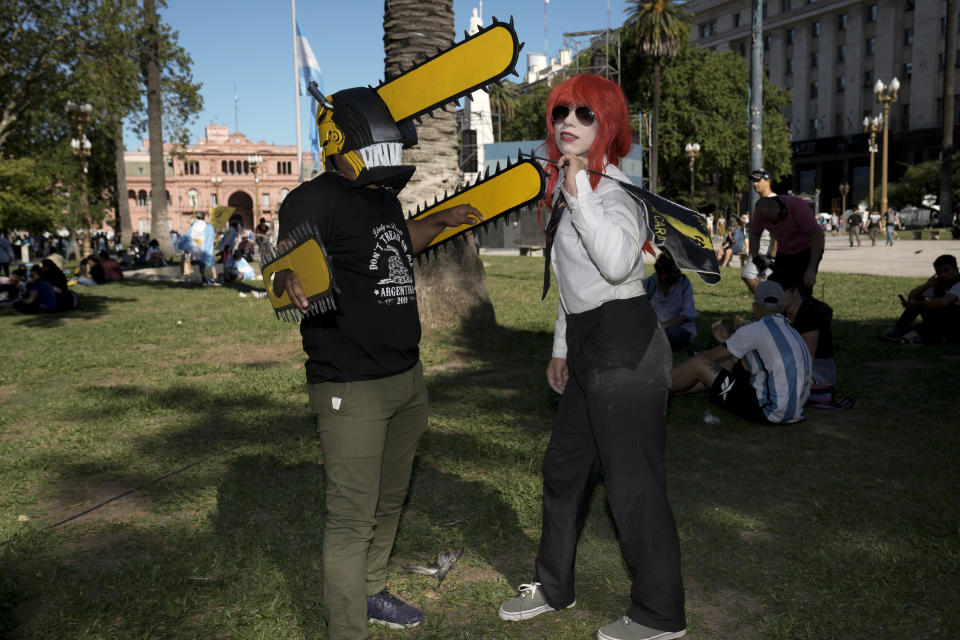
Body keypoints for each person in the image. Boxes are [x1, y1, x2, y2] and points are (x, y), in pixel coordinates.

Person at [273, 85, 483, 640]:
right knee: (350, 519)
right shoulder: (310, 200)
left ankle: (371, 591)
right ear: (338, 140)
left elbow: (392, 242)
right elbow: (281, 273)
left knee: (391, 498)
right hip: (350, 388)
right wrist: (287, 279)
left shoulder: (380, 196)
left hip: (405, 378)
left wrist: (438, 223)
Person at [497, 74, 686, 640]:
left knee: (633, 484)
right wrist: (561, 349)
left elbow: (615, 263)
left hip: (625, 346)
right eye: (560, 114)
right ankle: (554, 588)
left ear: (609, 124)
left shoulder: (616, 191)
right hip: (585, 341)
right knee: (564, 469)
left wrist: (580, 189)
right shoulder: (568, 187)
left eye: (583, 114)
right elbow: (572, 281)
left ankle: (660, 616)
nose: (567, 124)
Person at [670, 280, 812, 424]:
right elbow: (743, 363)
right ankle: (677, 388)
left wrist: (724, 342)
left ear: (755, 307)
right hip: (793, 411)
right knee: (728, 364)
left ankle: (656, 385)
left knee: (698, 364)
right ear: (781, 308)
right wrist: (729, 341)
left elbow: (706, 358)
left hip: (768, 411)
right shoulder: (792, 331)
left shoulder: (755, 329)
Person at [749, 185, 824, 296]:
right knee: (777, 285)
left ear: (779, 209)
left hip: (807, 248)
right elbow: (754, 236)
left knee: (802, 288)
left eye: (771, 218)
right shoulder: (761, 213)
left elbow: (817, 237)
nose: (768, 222)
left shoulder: (798, 207)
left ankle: (801, 309)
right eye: (765, 220)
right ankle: (781, 311)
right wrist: (756, 258)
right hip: (785, 250)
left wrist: (811, 269)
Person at [879, 254, 960, 345]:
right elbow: (912, 295)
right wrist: (927, 285)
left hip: (955, 325)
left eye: (946, 270)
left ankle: (921, 336)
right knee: (919, 300)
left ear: (956, 270)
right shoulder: (941, 284)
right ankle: (898, 329)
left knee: (943, 308)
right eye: (938, 271)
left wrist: (915, 304)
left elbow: (943, 302)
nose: (942, 274)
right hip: (941, 322)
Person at [644, 252, 698, 350]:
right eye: (675, 272)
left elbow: (686, 315)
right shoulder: (648, 284)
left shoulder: (684, 284)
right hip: (653, 329)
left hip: (677, 328)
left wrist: (662, 327)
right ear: (663, 273)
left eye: (679, 270)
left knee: (673, 334)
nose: (679, 274)